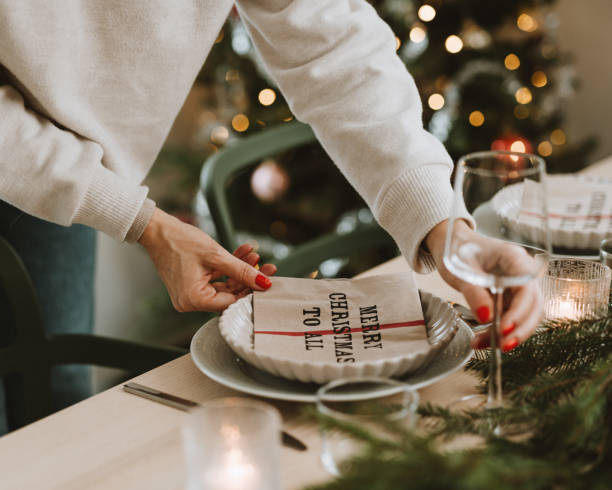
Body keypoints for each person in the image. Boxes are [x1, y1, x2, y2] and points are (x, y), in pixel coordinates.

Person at [0, 1, 542, 424]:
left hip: (64, 174)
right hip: (44, 159)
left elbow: (335, 48)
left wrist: (446, 231)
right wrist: (140, 220)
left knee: (52, 395)